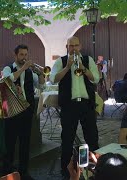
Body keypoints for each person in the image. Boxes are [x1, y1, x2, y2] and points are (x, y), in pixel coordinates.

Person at [49, 36, 100, 179]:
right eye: (71, 46)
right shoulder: (61, 61)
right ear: (67, 47)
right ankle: (66, 171)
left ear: (80, 46)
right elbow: (53, 79)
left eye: (76, 45)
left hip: (86, 104)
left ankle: (96, 168)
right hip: (69, 105)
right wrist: (67, 67)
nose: (74, 49)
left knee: (92, 137)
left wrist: (83, 68)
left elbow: (95, 78)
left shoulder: (87, 60)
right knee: (67, 139)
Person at [1, 44, 45, 179]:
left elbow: (41, 85)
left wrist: (42, 74)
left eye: (26, 55)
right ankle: (8, 171)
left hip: (27, 110)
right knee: (10, 141)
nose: (24, 57)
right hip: (13, 110)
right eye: (21, 55)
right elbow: (7, 80)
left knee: (25, 142)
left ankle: (23, 171)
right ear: (15, 55)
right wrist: (23, 68)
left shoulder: (30, 72)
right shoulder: (8, 68)